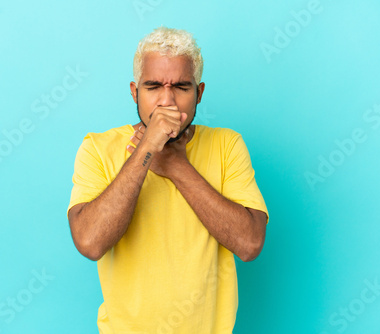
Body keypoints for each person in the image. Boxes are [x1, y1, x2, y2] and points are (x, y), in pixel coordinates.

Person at [67, 26, 269, 333]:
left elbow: (249, 244)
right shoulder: (97, 147)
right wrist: (147, 148)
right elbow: (90, 242)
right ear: (135, 92)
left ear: (199, 93)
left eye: (181, 87)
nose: (167, 101)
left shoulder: (228, 145)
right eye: (153, 87)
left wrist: (176, 167)